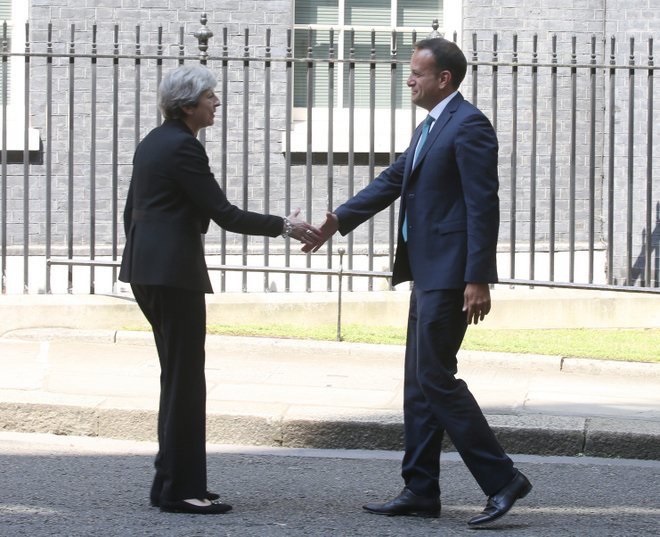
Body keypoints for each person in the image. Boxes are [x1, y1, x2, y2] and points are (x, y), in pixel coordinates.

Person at [304, 37, 532, 527]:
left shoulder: (469, 125)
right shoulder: (431, 126)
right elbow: (393, 179)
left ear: (443, 79)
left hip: (452, 275)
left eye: (416, 73)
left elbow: (482, 204)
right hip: (427, 271)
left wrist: (478, 277)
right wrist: (336, 221)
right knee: (418, 383)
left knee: (435, 378)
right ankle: (420, 488)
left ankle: (502, 479)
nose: (408, 79)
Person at [119, 64, 320, 515]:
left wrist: (145, 255)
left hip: (148, 272)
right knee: (186, 381)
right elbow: (224, 213)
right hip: (173, 275)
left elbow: (131, 210)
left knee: (176, 377)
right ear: (188, 105)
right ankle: (179, 491)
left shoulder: (155, 141)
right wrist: (286, 225)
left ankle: (170, 482)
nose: (217, 102)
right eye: (210, 96)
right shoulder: (184, 149)